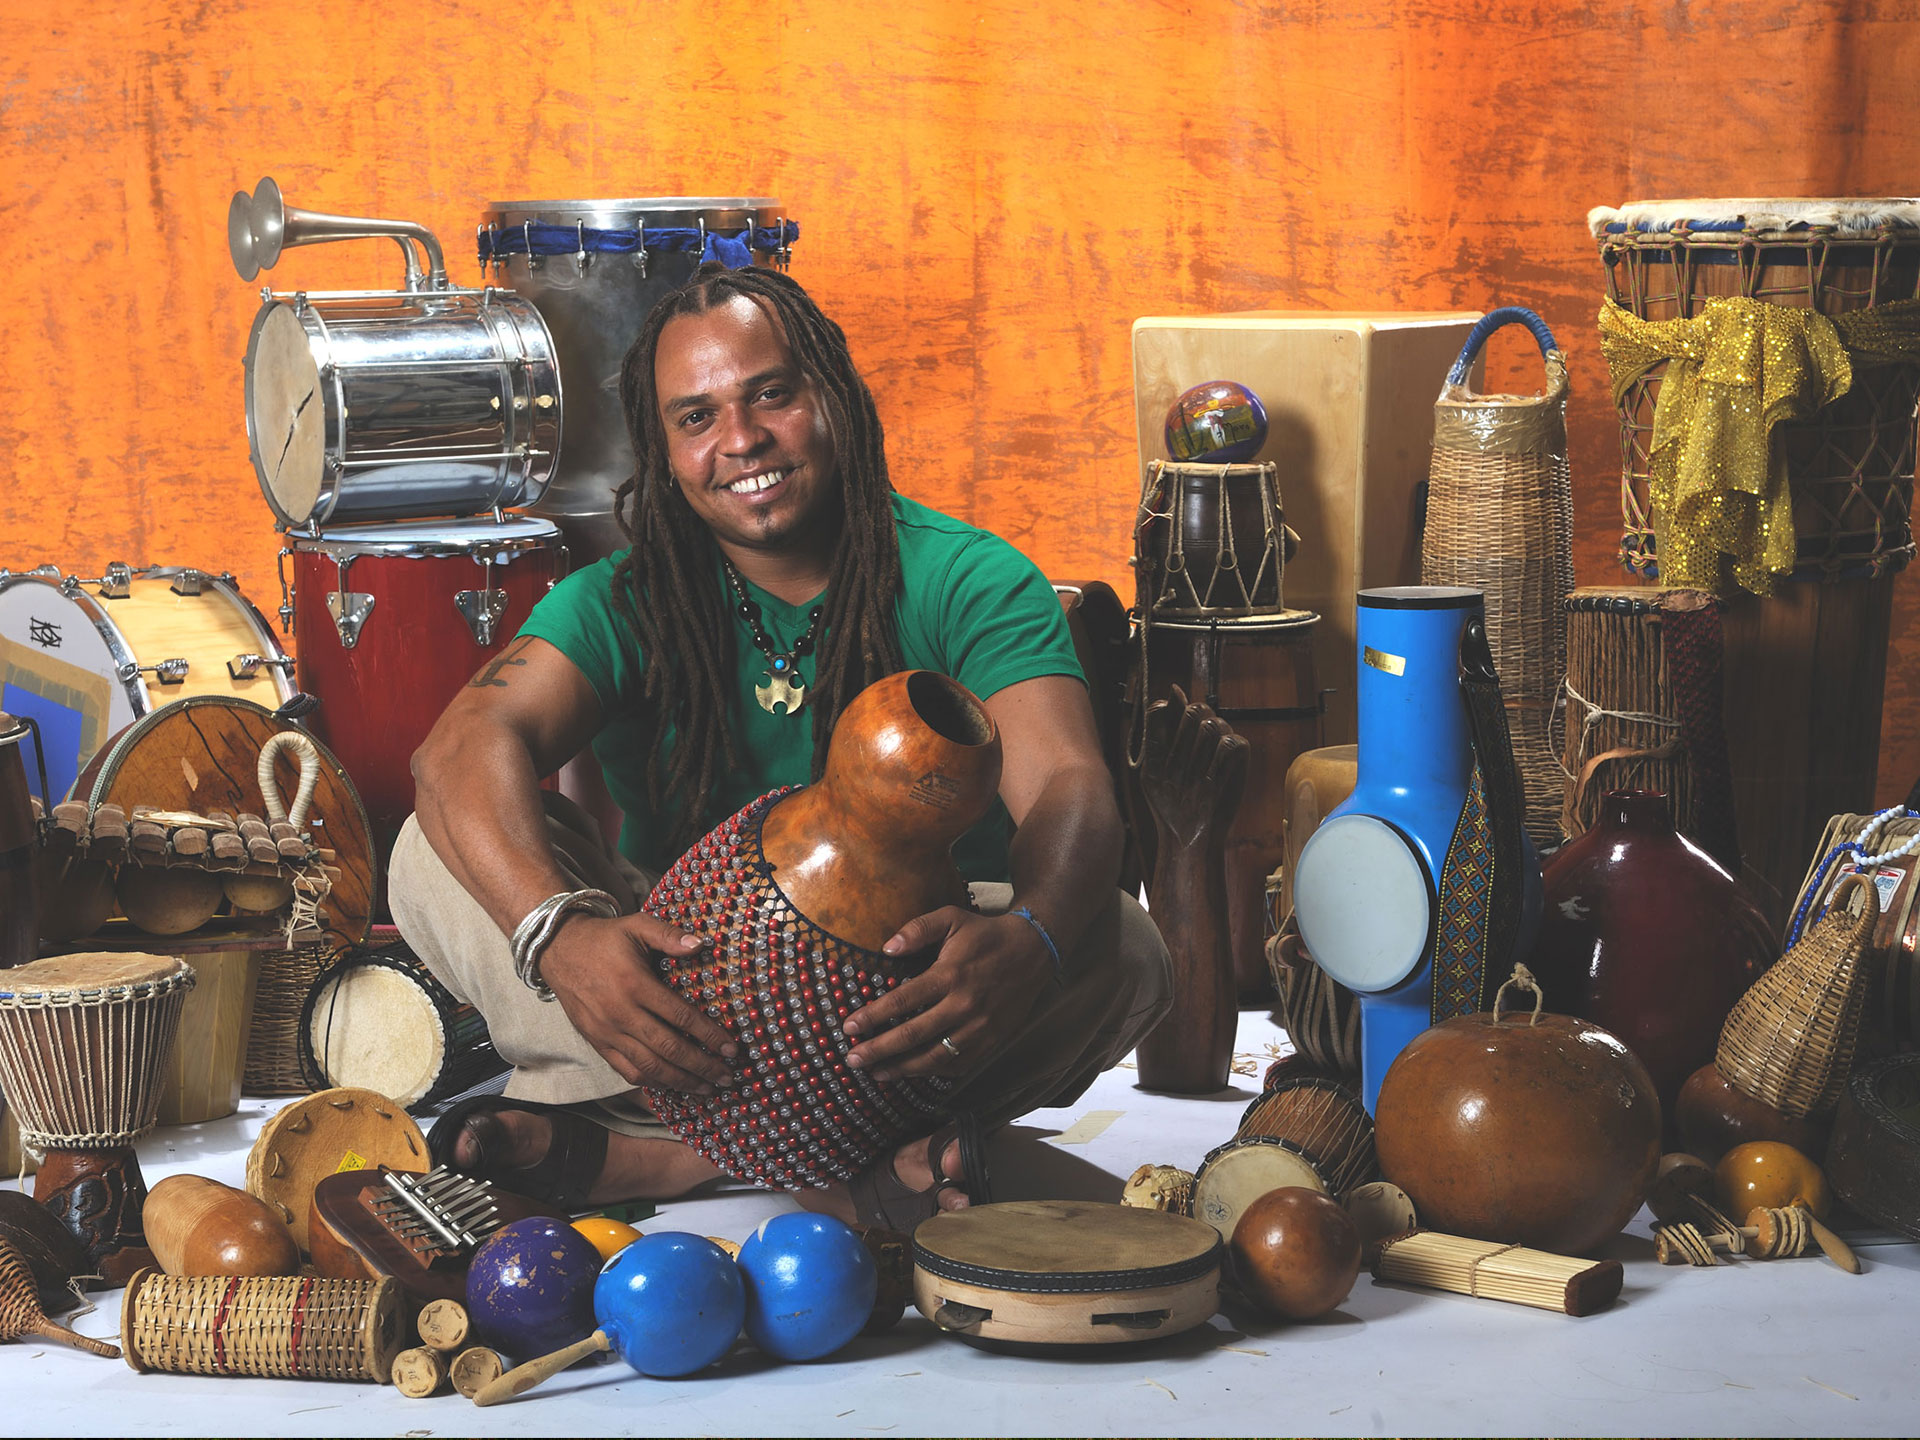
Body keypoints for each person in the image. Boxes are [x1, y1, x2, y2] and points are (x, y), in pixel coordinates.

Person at [391, 261, 1170, 1227]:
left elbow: (1072, 788)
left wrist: (1028, 938)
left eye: (771, 395)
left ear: (832, 396)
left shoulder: (967, 577)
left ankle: (657, 1156)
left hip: (896, 1000)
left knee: (1119, 942)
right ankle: (845, 1169)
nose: (741, 440)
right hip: (683, 998)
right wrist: (564, 938)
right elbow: (459, 751)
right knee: (431, 848)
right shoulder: (627, 598)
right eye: (696, 417)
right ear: (664, 448)